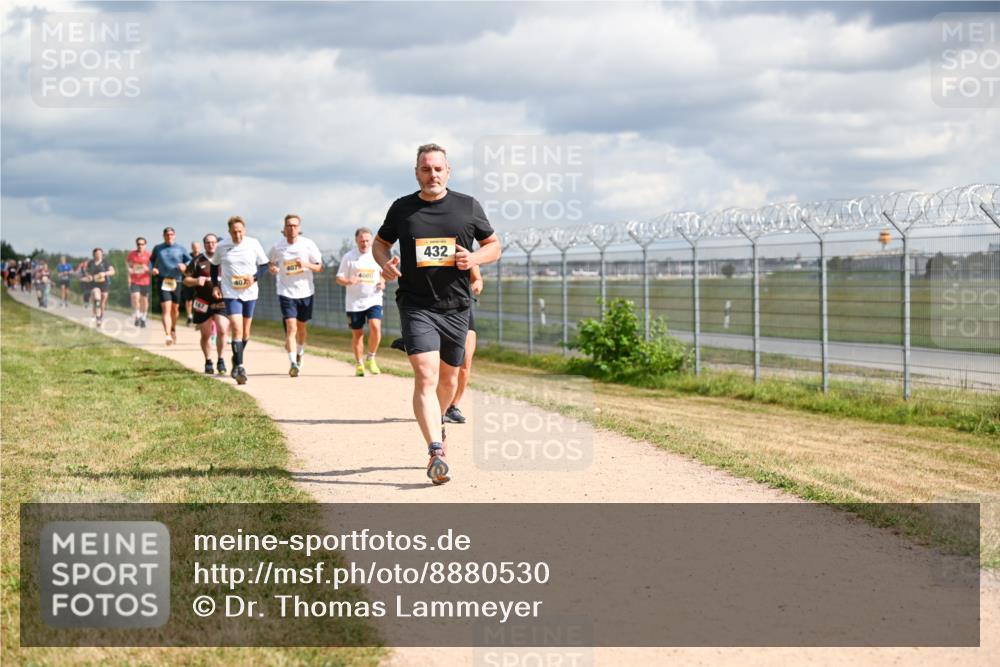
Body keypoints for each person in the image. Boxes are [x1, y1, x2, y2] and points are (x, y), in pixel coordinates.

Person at [374, 143, 501, 485]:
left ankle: (439, 420)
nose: (432, 174)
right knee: (426, 376)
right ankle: (435, 452)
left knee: (450, 379)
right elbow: (380, 242)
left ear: (448, 171)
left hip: (456, 306)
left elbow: (494, 246)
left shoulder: (467, 206)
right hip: (416, 304)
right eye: (426, 169)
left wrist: (473, 260)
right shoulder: (402, 209)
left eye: (438, 169)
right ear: (417, 172)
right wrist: (384, 263)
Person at [210, 215, 269, 385]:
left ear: (245, 230)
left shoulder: (253, 243)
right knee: (236, 328)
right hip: (230, 292)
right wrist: (215, 285)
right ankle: (241, 367)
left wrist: (254, 277)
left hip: (250, 292)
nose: (237, 235)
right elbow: (214, 266)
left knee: (245, 332)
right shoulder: (222, 246)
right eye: (234, 232)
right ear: (229, 232)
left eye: (240, 231)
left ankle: (236, 359)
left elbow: (264, 265)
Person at [268, 214, 323, 377]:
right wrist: (272, 268)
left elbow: (319, 267)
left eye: (294, 226)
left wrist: (304, 264)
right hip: (286, 292)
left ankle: (300, 352)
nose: (291, 228)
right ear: (284, 229)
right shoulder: (278, 246)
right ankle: (293, 363)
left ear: (299, 228)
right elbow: (269, 261)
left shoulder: (308, 244)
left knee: (301, 328)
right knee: (291, 328)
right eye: (289, 226)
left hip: (306, 291)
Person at [336, 227, 385, 377]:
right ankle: (359, 364)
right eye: (362, 241)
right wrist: (348, 280)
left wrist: (382, 282)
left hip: (374, 298)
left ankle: (371, 357)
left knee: (375, 326)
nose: (364, 243)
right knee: (358, 334)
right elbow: (339, 278)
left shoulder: (376, 255)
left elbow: (383, 273)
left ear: (371, 241)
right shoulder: (349, 257)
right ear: (356, 240)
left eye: (367, 241)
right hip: (354, 302)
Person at [184, 234, 229, 375]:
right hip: (202, 302)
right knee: (205, 334)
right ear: (204, 244)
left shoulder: (224, 259)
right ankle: (208, 360)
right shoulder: (197, 260)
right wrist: (197, 281)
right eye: (208, 242)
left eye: (213, 242)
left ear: (217, 244)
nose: (211, 245)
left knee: (222, 330)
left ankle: (221, 359)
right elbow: (186, 280)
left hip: (221, 301)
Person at [442, 265, 483, 423]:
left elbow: (477, 277)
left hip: (461, 308)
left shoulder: (465, 252)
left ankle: (453, 406)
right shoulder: (428, 243)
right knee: (441, 364)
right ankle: (439, 404)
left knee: (465, 361)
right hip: (432, 309)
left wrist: (477, 284)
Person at [149, 227, 191, 345]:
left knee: (175, 309)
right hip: (163, 280)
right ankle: (168, 335)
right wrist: (154, 269)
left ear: (175, 235)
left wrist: (185, 265)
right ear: (163, 236)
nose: (169, 236)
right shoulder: (158, 248)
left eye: (171, 234)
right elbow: (151, 261)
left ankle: (173, 329)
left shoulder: (180, 248)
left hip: (176, 280)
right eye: (167, 234)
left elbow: (190, 261)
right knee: (166, 309)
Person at [85, 248, 116, 327]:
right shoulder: (91, 263)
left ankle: (100, 316)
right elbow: (87, 271)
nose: (98, 254)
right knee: (97, 298)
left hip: (104, 284)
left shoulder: (106, 262)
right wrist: (89, 276)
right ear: (94, 254)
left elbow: (113, 272)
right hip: (94, 284)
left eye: (100, 253)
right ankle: (98, 317)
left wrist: (104, 273)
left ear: (102, 254)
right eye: (97, 253)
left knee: (102, 303)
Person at [126, 238, 152, 327]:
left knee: (144, 300)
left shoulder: (149, 255)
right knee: (135, 297)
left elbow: (152, 269)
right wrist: (129, 270)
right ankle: (137, 315)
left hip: (145, 281)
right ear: (136, 244)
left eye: (142, 244)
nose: (140, 246)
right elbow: (128, 266)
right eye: (138, 244)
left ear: (145, 245)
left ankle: (143, 317)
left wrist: (147, 269)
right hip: (135, 280)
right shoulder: (131, 254)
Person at [182, 240, 202, 326]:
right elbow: (184, 269)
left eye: (197, 247)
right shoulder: (187, 257)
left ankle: (198, 318)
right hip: (189, 281)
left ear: (199, 247)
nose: (196, 248)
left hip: (199, 282)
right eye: (194, 247)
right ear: (192, 247)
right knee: (189, 300)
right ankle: (189, 317)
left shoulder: (202, 257)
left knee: (198, 300)